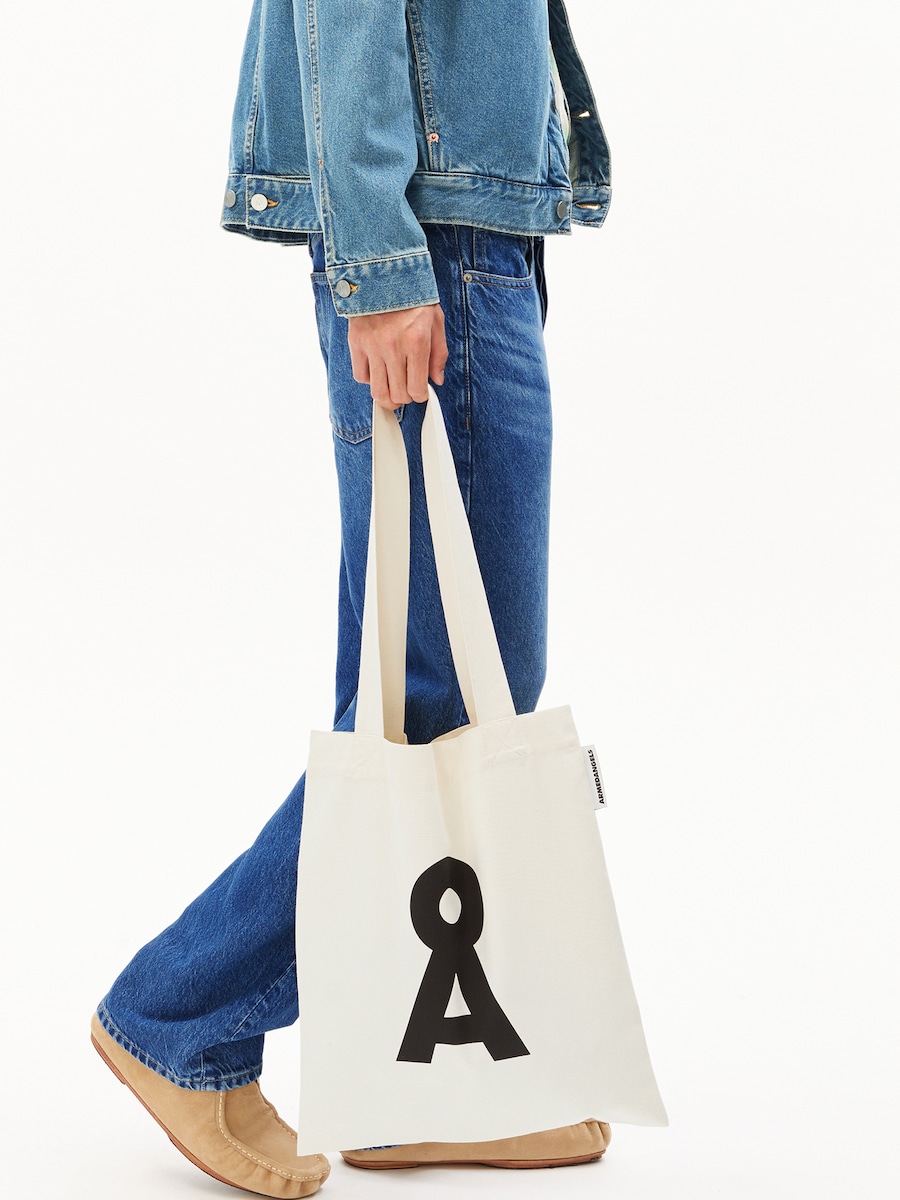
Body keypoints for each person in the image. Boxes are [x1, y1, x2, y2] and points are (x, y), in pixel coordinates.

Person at [90, 1, 614, 1195]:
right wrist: (380, 263)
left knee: (414, 687)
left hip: (468, 230)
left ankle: (402, 1078)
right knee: (436, 698)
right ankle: (174, 1013)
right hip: (433, 241)